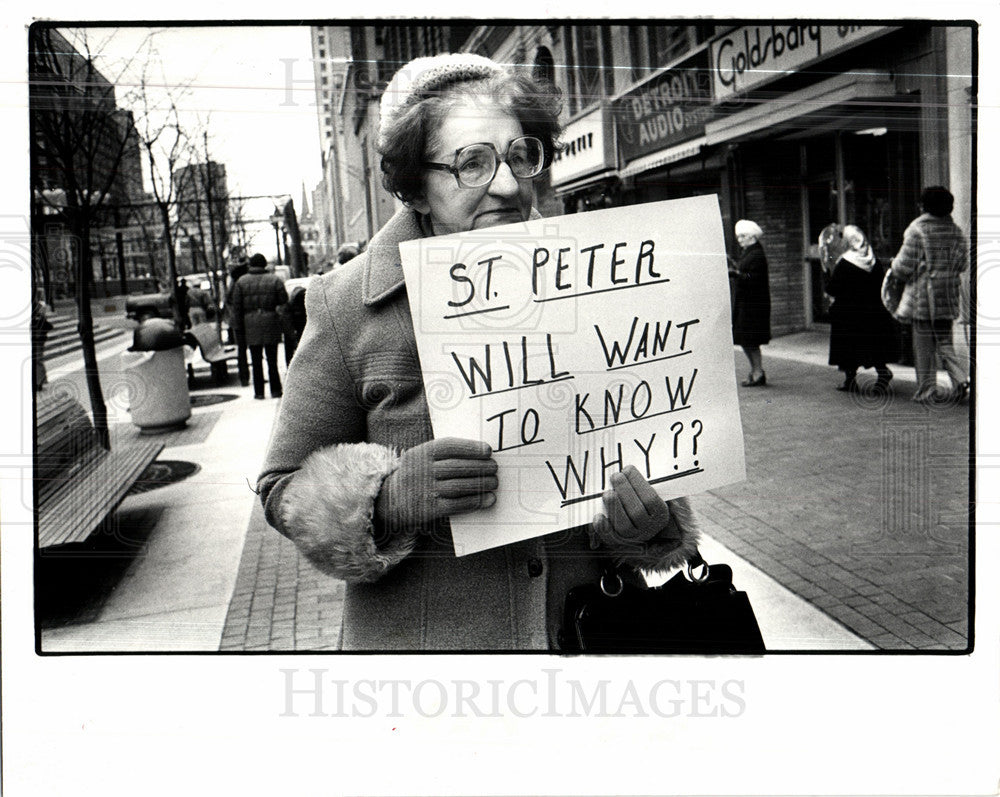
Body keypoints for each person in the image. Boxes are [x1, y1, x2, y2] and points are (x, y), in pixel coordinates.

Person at [257, 53, 700, 651]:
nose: (510, 183)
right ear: (415, 184)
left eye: (521, 156)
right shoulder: (344, 304)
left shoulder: (591, 276)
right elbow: (281, 487)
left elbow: (638, 445)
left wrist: (649, 524)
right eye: (473, 163)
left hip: (592, 648)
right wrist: (386, 500)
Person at [889, 186, 970, 403]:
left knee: (923, 347)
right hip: (948, 296)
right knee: (944, 342)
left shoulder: (918, 230)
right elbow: (962, 264)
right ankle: (960, 379)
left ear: (924, 206)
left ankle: (926, 391)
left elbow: (902, 267)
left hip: (924, 298)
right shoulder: (955, 231)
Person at [825, 225, 899, 393]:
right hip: (872, 311)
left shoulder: (845, 262)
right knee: (873, 346)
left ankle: (850, 381)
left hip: (848, 313)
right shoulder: (874, 260)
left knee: (848, 347)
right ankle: (883, 373)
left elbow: (833, 288)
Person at [230, 253, 288, 400]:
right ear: (264, 264)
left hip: (250, 324)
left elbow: (236, 307)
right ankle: (276, 390)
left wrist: (238, 327)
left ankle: (259, 392)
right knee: (272, 359)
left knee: (256, 361)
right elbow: (283, 300)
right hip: (270, 322)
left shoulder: (241, 282)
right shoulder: (274, 279)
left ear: (251, 265)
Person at [730, 219, 771, 387]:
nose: (740, 240)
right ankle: (757, 371)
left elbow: (753, 278)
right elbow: (746, 273)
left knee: (749, 340)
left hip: (753, 305)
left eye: (743, 236)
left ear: (752, 236)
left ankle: (758, 372)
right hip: (748, 303)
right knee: (748, 340)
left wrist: (735, 274)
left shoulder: (757, 255)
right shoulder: (749, 252)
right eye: (738, 236)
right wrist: (737, 270)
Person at [225, 259, 250, 386]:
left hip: (237, 322)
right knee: (246, 349)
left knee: (242, 350)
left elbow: (229, 302)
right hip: (243, 321)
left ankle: (244, 377)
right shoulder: (240, 284)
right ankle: (245, 376)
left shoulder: (233, 284)